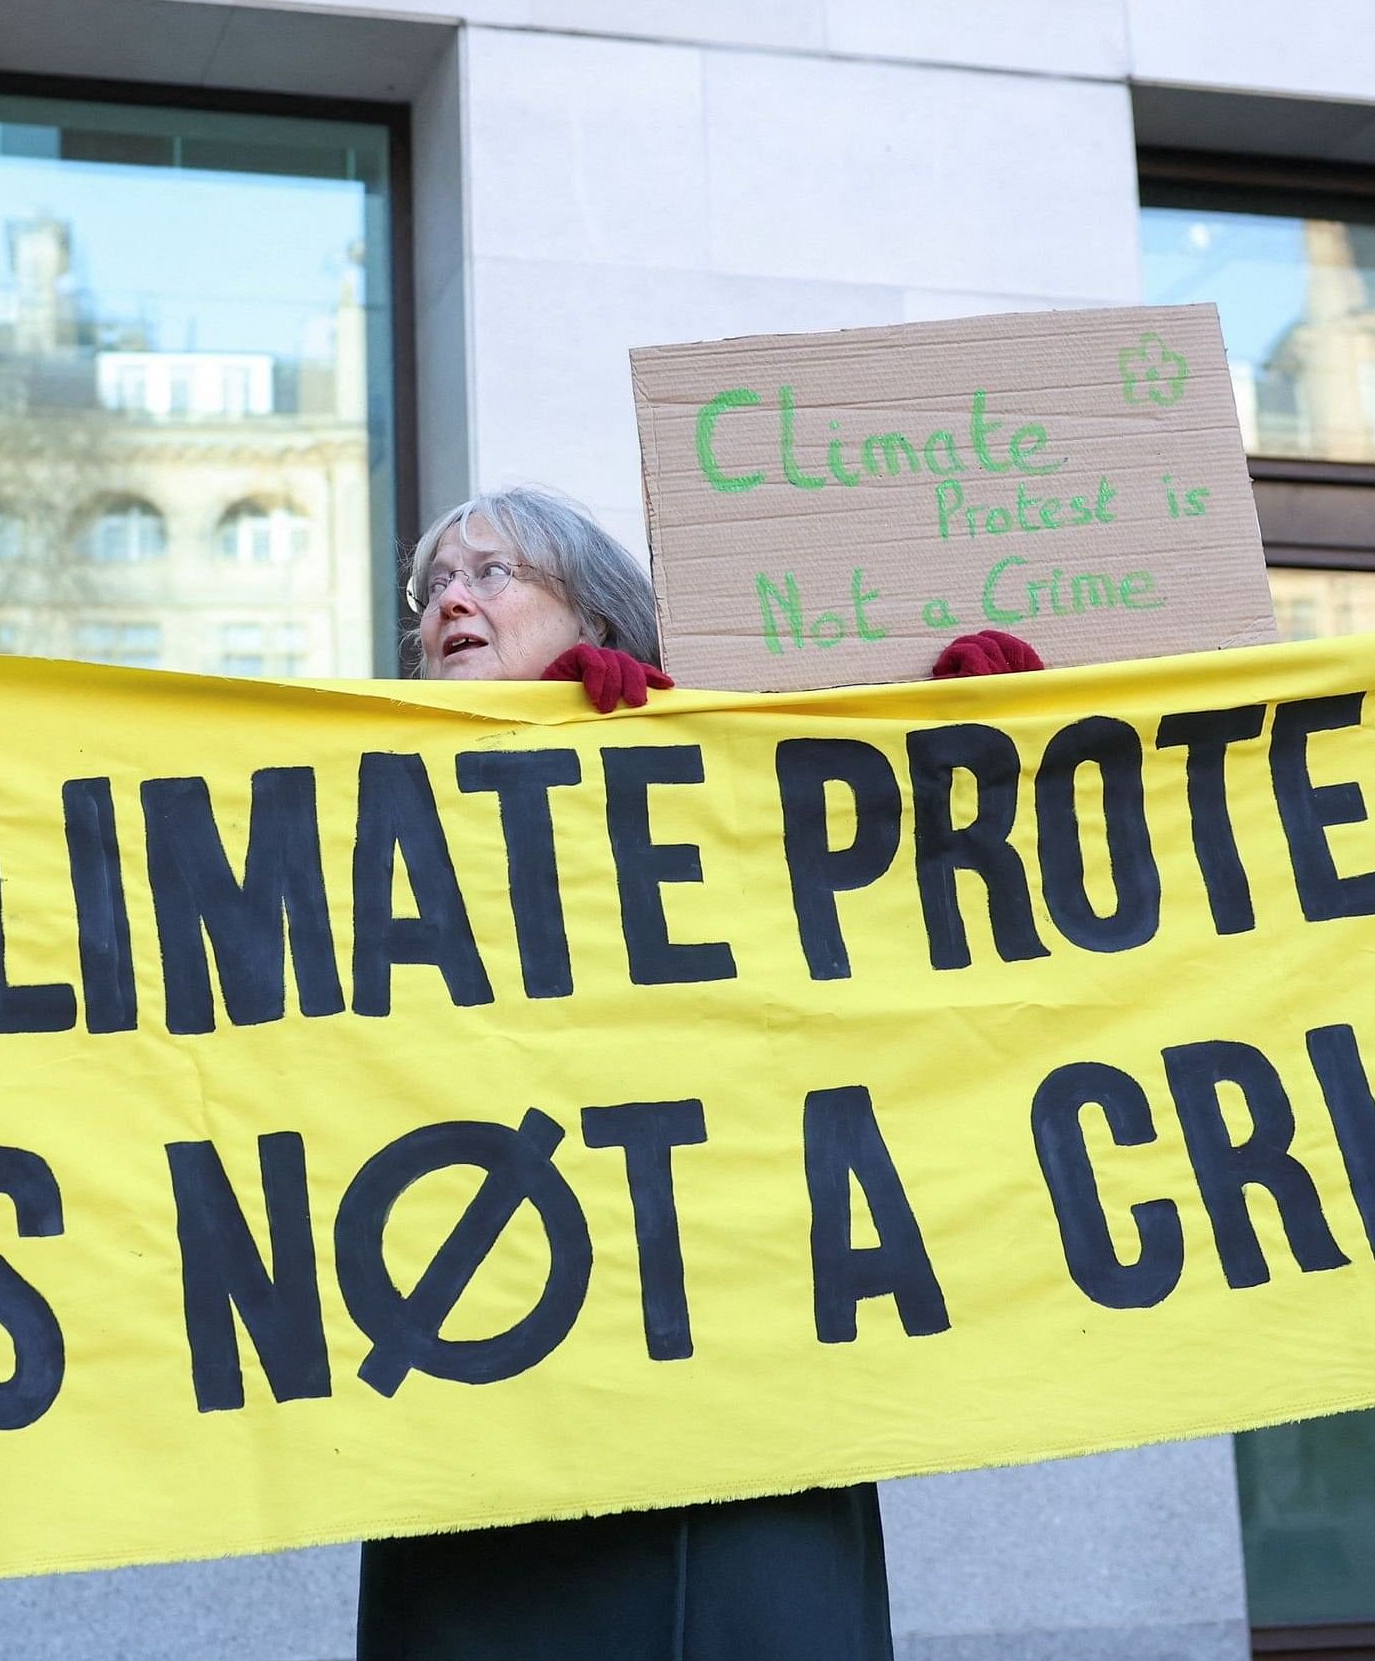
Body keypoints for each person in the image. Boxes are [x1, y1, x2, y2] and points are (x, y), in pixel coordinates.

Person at [353, 483, 1036, 1661]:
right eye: (431, 591)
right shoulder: (359, 803)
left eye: (491, 573)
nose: (449, 601)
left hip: (731, 1392)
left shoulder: (725, 781)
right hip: (486, 1387)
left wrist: (956, 745)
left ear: (601, 626)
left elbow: (886, 945)